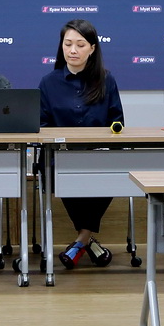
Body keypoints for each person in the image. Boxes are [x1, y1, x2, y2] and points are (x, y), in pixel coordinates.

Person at [39, 19, 124, 269]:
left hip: (98, 156)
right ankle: (87, 242)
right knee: (62, 173)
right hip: (60, 157)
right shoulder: (48, 82)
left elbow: (117, 121)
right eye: (68, 44)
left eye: (80, 44)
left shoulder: (106, 80)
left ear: (92, 48)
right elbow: (42, 124)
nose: (73, 50)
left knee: (112, 173)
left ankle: (81, 240)